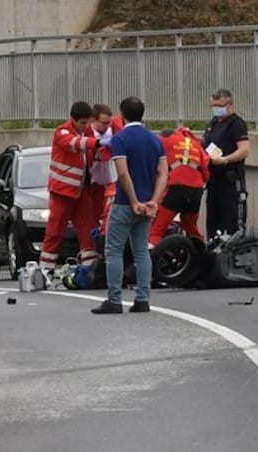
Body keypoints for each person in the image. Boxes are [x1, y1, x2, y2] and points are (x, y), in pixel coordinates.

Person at [92, 96, 167, 314]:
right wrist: (154, 200)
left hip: (126, 203)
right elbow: (163, 173)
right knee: (141, 250)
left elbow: (123, 173)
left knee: (113, 250)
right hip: (148, 202)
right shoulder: (155, 140)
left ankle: (114, 300)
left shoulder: (121, 139)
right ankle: (143, 299)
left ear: (122, 115)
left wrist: (133, 201)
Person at [39, 101, 107, 275]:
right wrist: (97, 143)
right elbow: (75, 143)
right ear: (73, 120)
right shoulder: (62, 132)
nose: (85, 127)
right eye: (82, 123)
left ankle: (90, 268)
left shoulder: (89, 133)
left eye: (88, 123)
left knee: (88, 229)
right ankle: (46, 269)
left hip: (81, 191)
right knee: (55, 231)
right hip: (63, 191)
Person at [148, 127, 210, 247]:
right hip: (196, 190)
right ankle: (202, 254)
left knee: (156, 231)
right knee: (191, 227)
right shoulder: (194, 144)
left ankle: (148, 261)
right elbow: (206, 170)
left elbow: (153, 165)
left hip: (176, 188)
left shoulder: (162, 141)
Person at [202, 88, 250, 236]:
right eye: (214, 106)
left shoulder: (236, 124)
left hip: (230, 183)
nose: (216, 109)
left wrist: (225, 160)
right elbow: (205, 143)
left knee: (233, 225)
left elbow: (244, 150)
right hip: (214, 182)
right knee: (213, 225)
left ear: (229, 105)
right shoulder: (214, 122)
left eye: (219, 106)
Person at [85, 103, 122, 239]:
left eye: (109, 122)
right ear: (94, 120)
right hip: (93, 184)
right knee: (92, 219)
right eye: (104, 123)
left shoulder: (114, 130)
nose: (107, 125)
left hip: (110, 183)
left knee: (109, 218)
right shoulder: (88, 133)